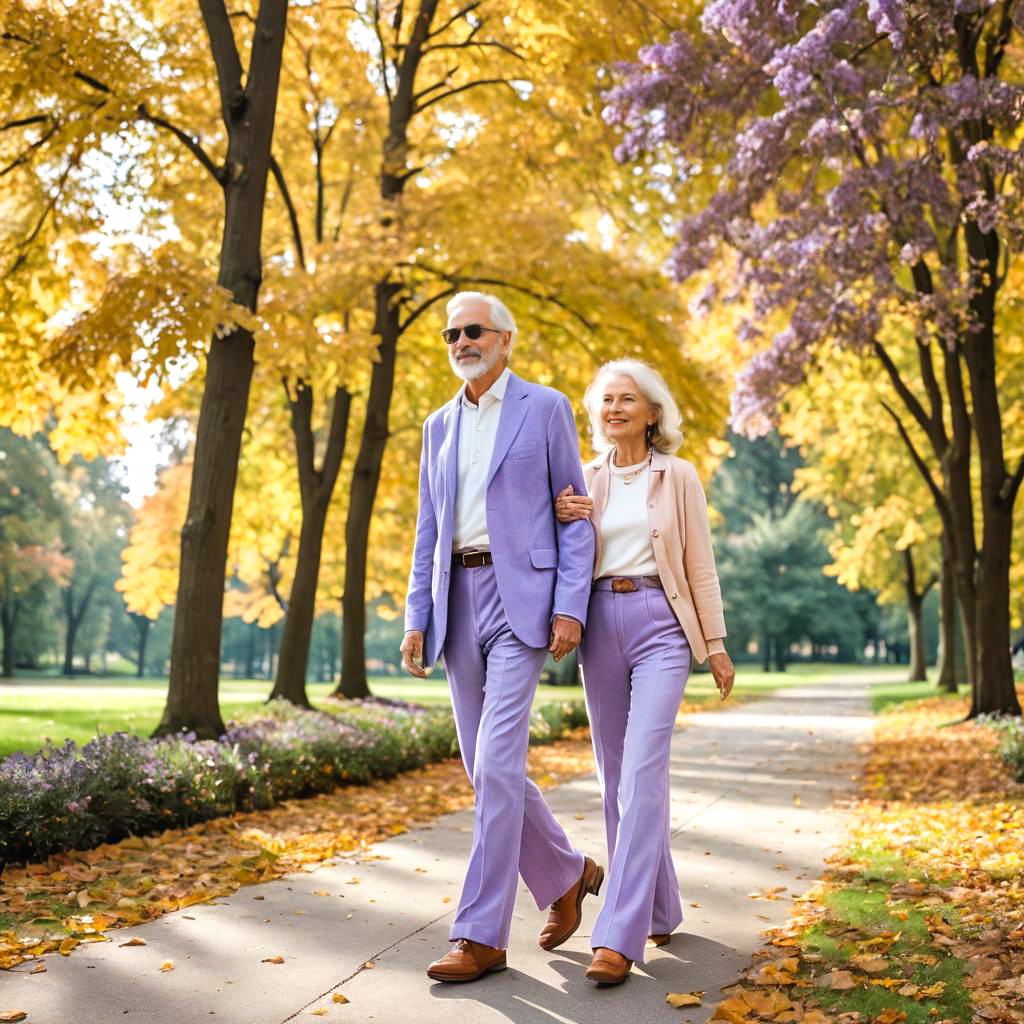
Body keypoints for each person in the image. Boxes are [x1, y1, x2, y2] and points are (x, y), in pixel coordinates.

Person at [401, 291, 603, 984]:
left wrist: (570, 606)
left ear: (506, 340)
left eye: (474, 330)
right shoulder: (436, 426)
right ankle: (568, 873)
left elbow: (575, 515)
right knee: (481, 767)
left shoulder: (544, 408)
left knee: (495, 763)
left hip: (523, 603)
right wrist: (417, 616)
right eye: (452, 332)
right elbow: (429, 526)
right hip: (456, 599)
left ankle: (480, 935)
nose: (461, 340)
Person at [554, 359, 736, 986]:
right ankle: (659, 905)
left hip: (661, 620)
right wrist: (559, 515)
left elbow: (700, 564)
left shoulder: (678, 476)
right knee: (614, 780)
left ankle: (619, 935)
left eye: (627, 399)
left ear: (653, 412)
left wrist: (713, 644)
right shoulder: (582, 479)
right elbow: (562, 555)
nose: (615, 409)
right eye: (606, 400)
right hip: (600, 624)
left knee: (642, 767)